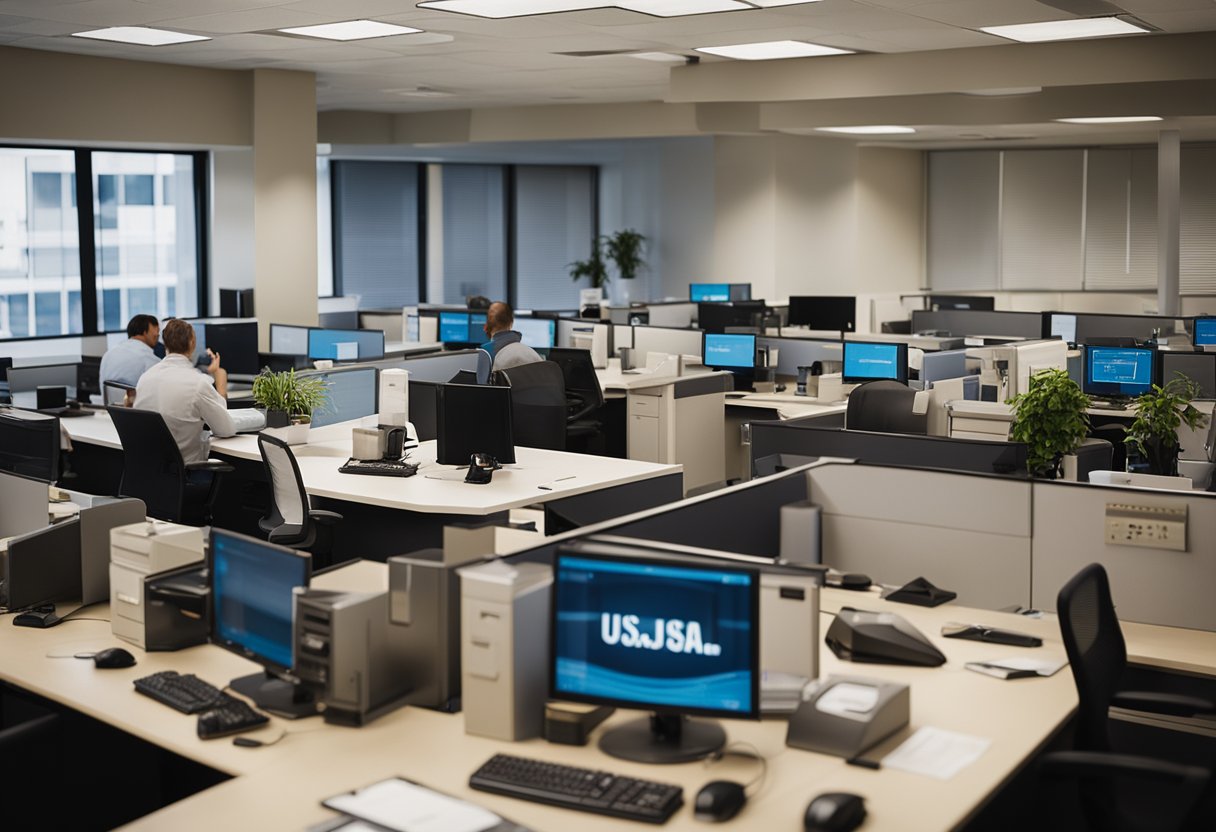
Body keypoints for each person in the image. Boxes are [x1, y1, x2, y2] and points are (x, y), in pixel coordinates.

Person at [133, 317, 235, 466]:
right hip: (187, 475)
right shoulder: (198, 383)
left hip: (149, 472)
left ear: (165, 344)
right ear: (192, 343)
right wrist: (220, 384)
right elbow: (226, 429)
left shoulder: (145, 378)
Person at [475, 301, 543, 384]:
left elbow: (482, 390)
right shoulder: (531, 353)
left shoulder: (487, 352)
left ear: (487, 324)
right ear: (511, 323)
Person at [99, 314, 160, 390]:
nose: (157, 334)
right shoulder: (150, 359)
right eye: (156, 330)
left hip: (109, 401)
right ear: (145, 332)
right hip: (133, 401)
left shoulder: (109, 354)